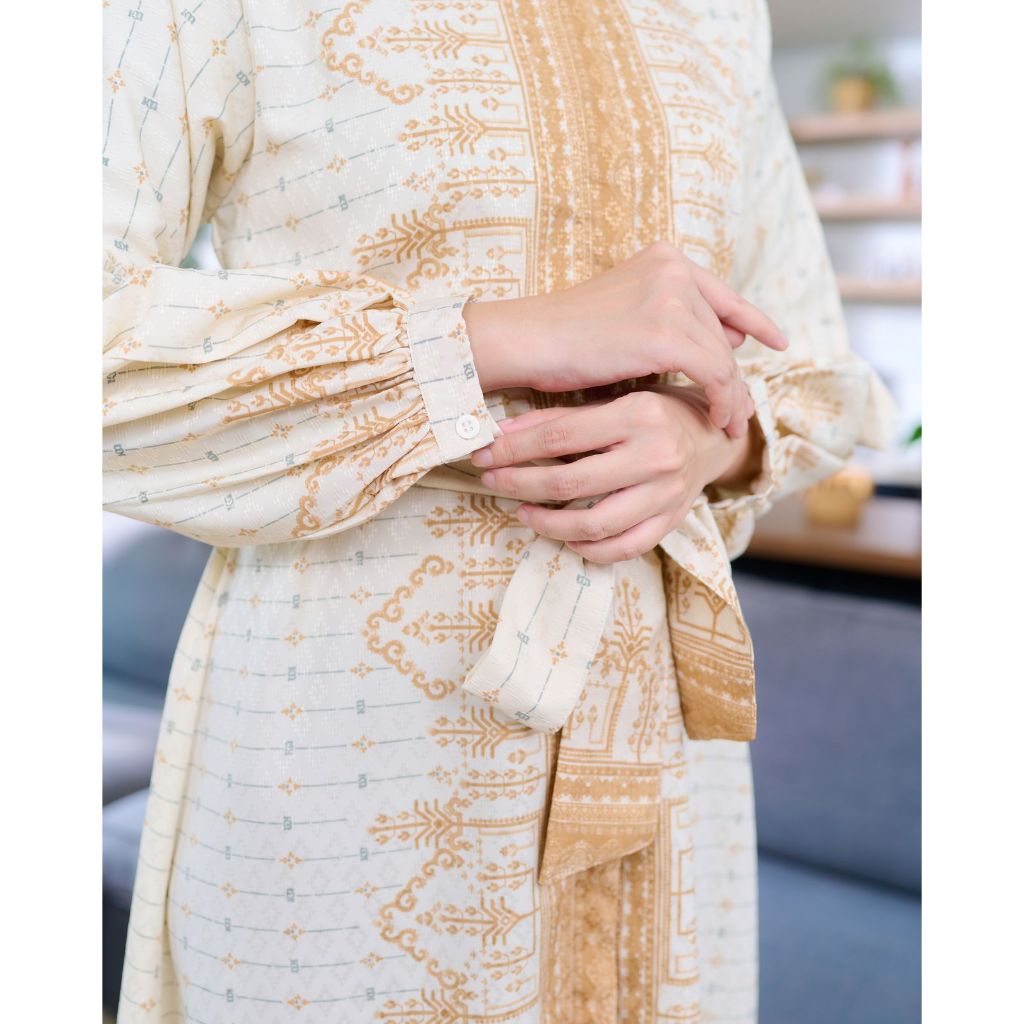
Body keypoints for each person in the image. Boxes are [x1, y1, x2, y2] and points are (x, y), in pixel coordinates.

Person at [103, 1, 891, 1020]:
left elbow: (817, 365)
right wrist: (492, 339)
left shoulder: (720, 14)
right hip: (348, 750)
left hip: (667, 746)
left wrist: (709, 437)